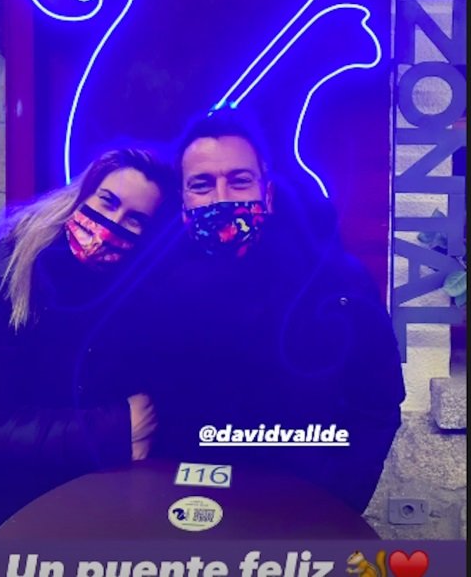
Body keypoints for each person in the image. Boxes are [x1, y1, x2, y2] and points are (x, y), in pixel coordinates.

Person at [143, 109, 406, 514]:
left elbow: (376, 402)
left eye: (238, 180)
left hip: (302, 517)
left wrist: (336, 500)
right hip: (186, 514)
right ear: (183, 203)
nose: (221, 198)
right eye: (202, 184)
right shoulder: (151, 292)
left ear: (266, 194)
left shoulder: (336, 282)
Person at [0, 147, 177, 540]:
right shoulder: (7, 274)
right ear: (82, 194)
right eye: (107, 201)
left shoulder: (127, 287)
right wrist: (119, 426)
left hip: (85, 505)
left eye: (135, 219)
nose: (112, 223)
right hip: (1, 511)